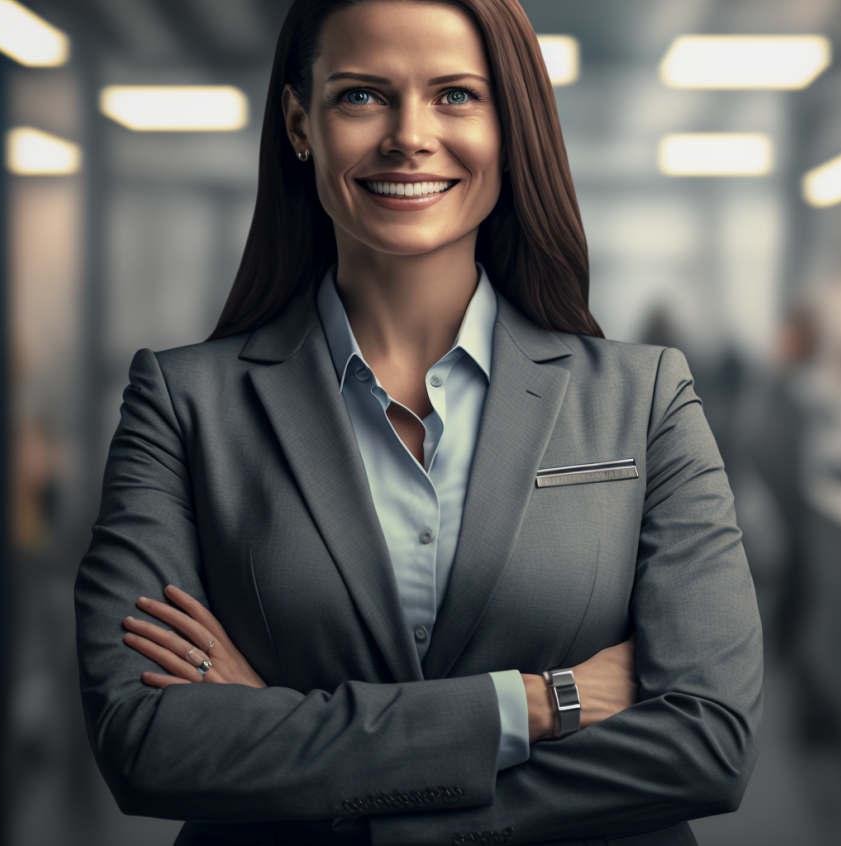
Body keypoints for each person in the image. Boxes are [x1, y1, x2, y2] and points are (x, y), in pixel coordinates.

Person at [74, 2, 762, 845]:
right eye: (362, 96)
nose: (409, 135)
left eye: (456, 96)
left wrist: (306, 757)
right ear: (301, 123)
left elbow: (708, 744)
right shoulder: (184, 406)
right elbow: (147, 743)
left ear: (512, 126)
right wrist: (545, 702)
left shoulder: (644, 398)